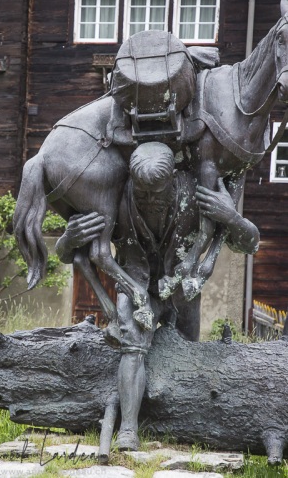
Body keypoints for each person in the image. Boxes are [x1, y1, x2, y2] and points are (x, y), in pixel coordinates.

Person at [55, 141, 259, 451]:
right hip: (133, 286)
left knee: (188, 356)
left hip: (181, 292)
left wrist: (233, 218)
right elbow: (73, 255)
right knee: (133, 347)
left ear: (173, 181)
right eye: (142, 194)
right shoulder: (113, 196)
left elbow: (250, 244)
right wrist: (66, 241)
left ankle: (183, 423)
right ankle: (128, 429)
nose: (150, 200)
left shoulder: (195, 195)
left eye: (158, 194)